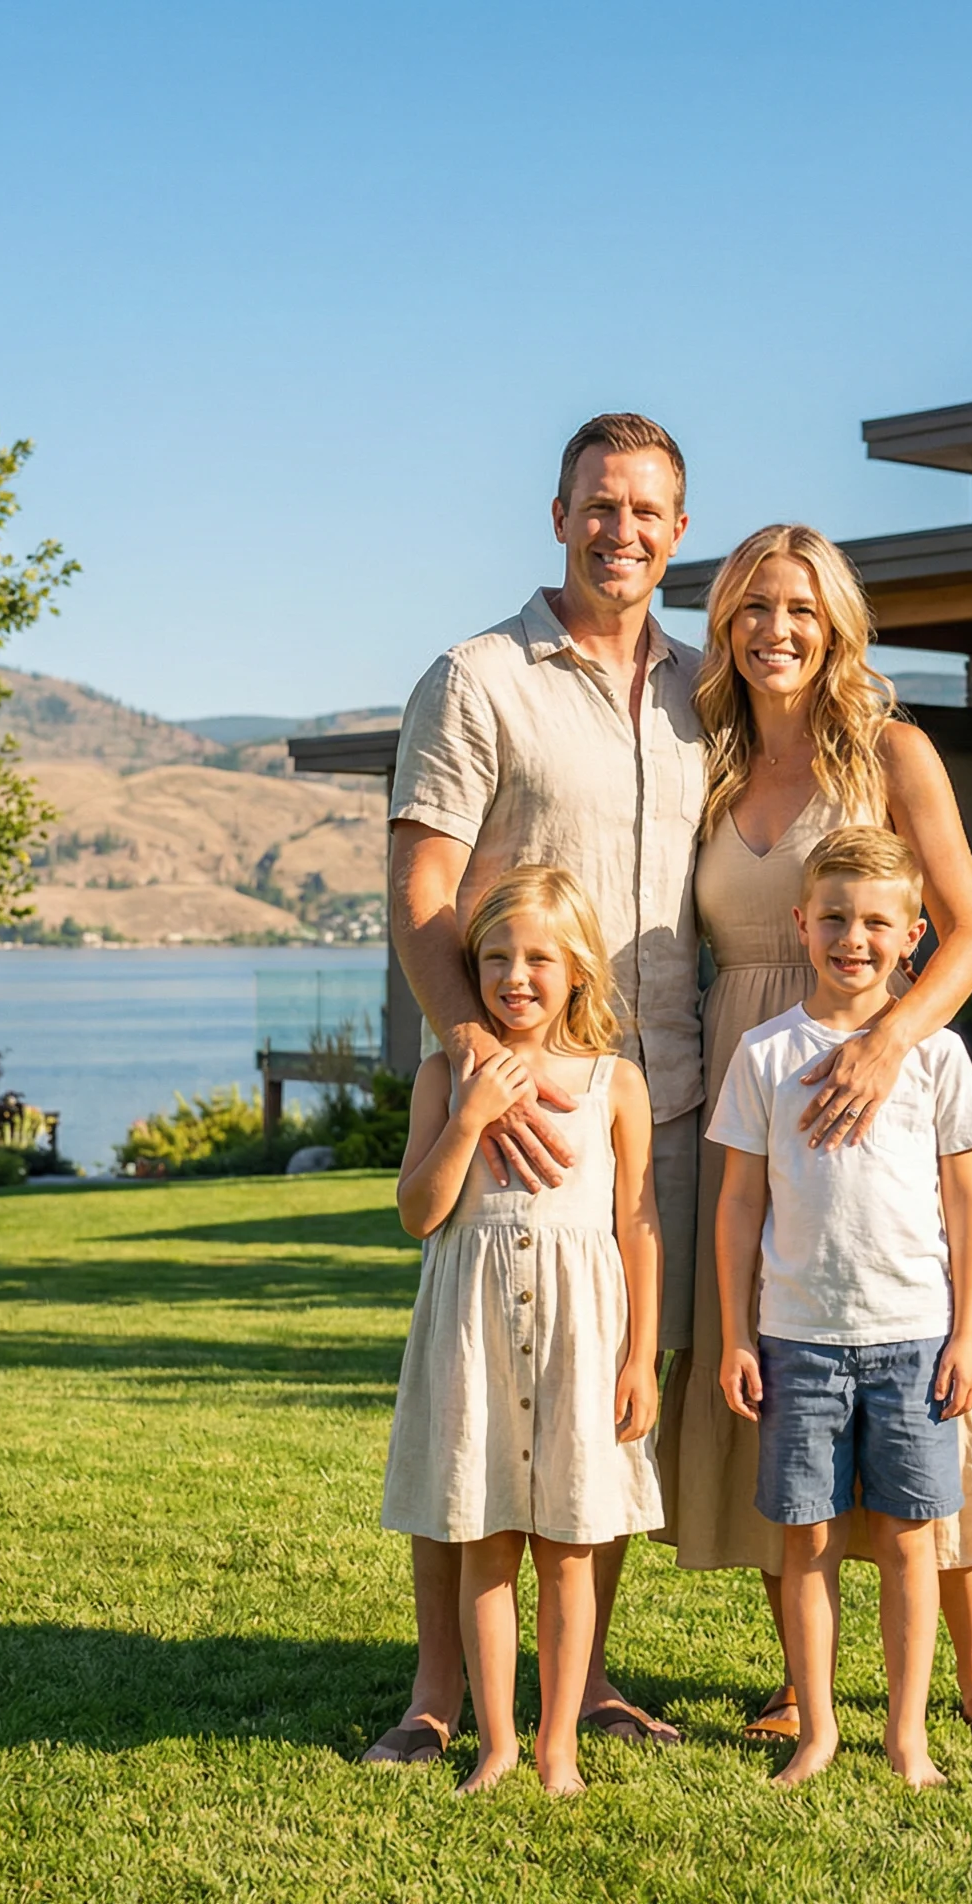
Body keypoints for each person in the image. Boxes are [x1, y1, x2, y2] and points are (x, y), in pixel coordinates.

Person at [656, 521, 972, 1757]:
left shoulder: (892, 750)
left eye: (800, 610)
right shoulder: (707, 764)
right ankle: (800, 1678)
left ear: (834, 628)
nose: (775, 629)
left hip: (870, 1059)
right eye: (753, 607)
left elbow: (968, 932)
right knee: (782, 1357)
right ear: (724, 624)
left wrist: (885, 1045)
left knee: (918, 1364)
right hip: (749, 1070)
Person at [363, 414, 702, 1764]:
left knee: (592, 1421)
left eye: (647, 510)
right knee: (470, 1413)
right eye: (598, 505)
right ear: (558, 515)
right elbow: (422, 891)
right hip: (500, 1109)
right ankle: (437, 1693)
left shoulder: (702, 691)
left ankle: (588, 1681)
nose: (621, 530)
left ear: (681, 529)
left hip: (647, 1099)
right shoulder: (478, 677)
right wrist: (473, 1060)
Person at [713, 828, 972, 1786]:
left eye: (877, 922)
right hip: (797, 1341)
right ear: (801, 923)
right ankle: (819, 1728)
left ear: (914, 933)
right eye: (833, 917)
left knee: (913, 1540)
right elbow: (739, 1202)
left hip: (916, 1340)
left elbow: (966, 1201)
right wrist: (732, 1336)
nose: (853, 938)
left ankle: (906, 1734)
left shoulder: (938, 1057)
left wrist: (969, 1334)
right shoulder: (763, 1054)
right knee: (808, 1540)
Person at [382, 866, 663, 1794]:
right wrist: (468, 1117)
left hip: (584, 1346)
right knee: (488, 1544)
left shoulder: (614, 1085)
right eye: (495, 956)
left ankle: (558, 1747)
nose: (516, 976)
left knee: (572, 1551)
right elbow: (419, 1212)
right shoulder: (443, 1076)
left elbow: (638, 1226)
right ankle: (497, 1744)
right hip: (476, 1345)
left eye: (540, 957)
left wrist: (642, 1358)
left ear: (577, 969)